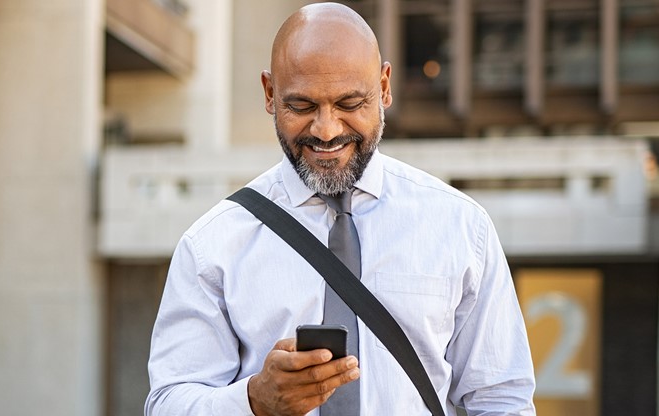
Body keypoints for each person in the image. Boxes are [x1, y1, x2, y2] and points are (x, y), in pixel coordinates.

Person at [144, 2, 536, 415]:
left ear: (384, 87)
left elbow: (500, 400)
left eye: (350, 104)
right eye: (302, 106)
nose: (326, 130)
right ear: (269, 93)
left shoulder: (460, 227)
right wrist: (254, 400)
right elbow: (168, 403)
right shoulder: (212, 246)